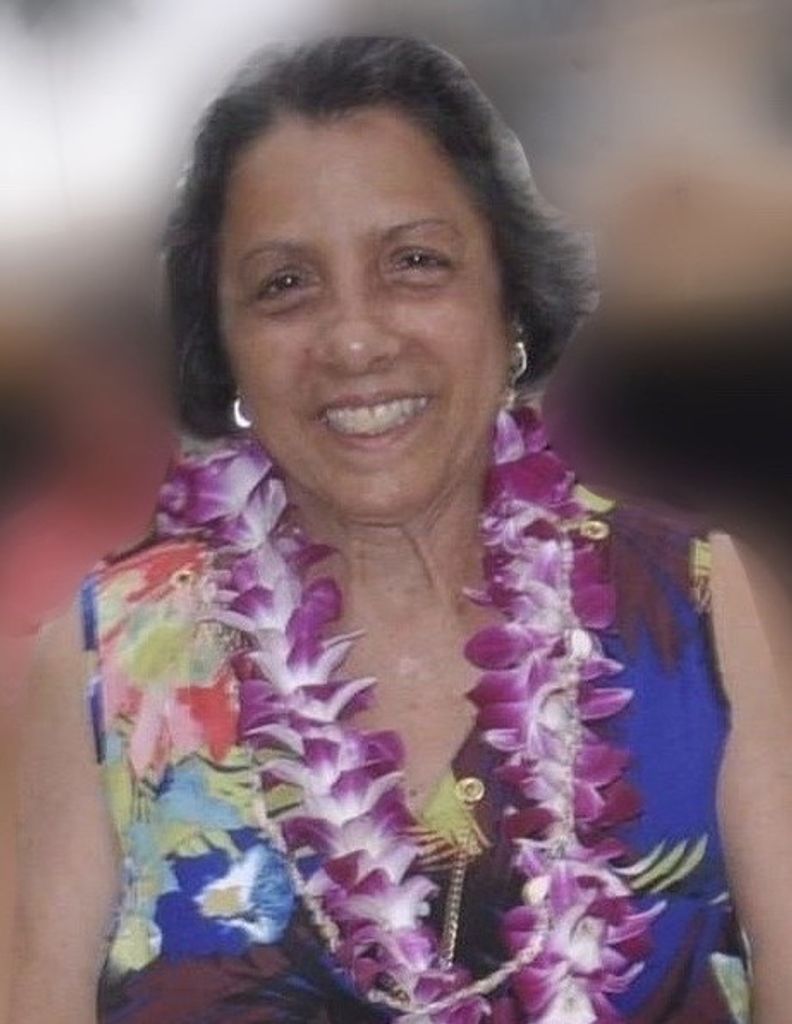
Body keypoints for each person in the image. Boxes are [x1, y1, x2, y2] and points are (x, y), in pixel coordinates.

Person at [9, 34, 792, 1024]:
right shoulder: (107, 667)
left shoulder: (703, 608)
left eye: (415, 263)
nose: (354, 338)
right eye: (284, 285)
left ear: (510, 295)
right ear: (226, 345)